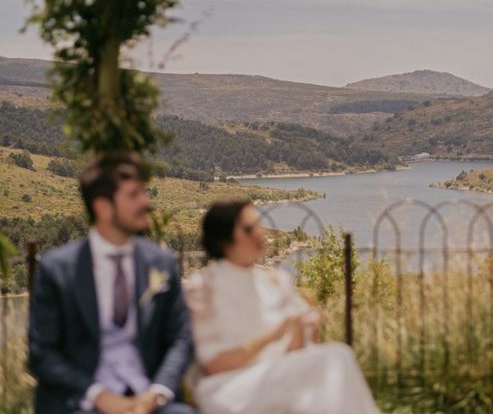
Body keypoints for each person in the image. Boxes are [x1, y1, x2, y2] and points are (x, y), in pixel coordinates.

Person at [28, 153, 195, 414]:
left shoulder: (160, 262)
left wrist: (157, 392)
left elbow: (181, 339)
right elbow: (42, 354)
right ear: (103, 208)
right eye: (134, 195)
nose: (146, 202)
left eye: (144, 192)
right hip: (82, 401)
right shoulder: (58, 268)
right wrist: (99, 396)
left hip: (149, 398)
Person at [184, 199, 379, 414]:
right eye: (249, 229)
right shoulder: (203, 288)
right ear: (223, 239)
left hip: (277, 375)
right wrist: (274, 334)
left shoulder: (274, 281)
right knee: (336, 357)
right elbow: (213, 365)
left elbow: (294, 354)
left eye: (259, 225)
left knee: (334, 360)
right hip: (228, 386)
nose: (259, 233)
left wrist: (303, 328)